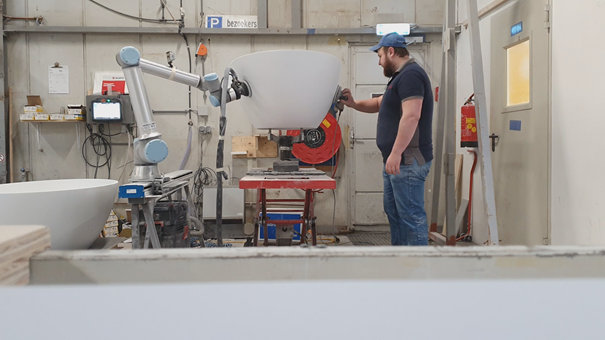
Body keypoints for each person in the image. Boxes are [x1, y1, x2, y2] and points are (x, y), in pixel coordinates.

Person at [341, 32, 434, 246]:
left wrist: (396, 152)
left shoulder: (411, 76)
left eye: (380, 56)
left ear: (391, 51)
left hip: (407, 160)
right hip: (397, 162)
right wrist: (353, 103)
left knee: (411, 217)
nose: (379, 62)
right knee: (395, 213)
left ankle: (419, 271)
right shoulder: (400, 78)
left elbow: (412, 116)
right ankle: (400, 262)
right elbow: (378, 104)